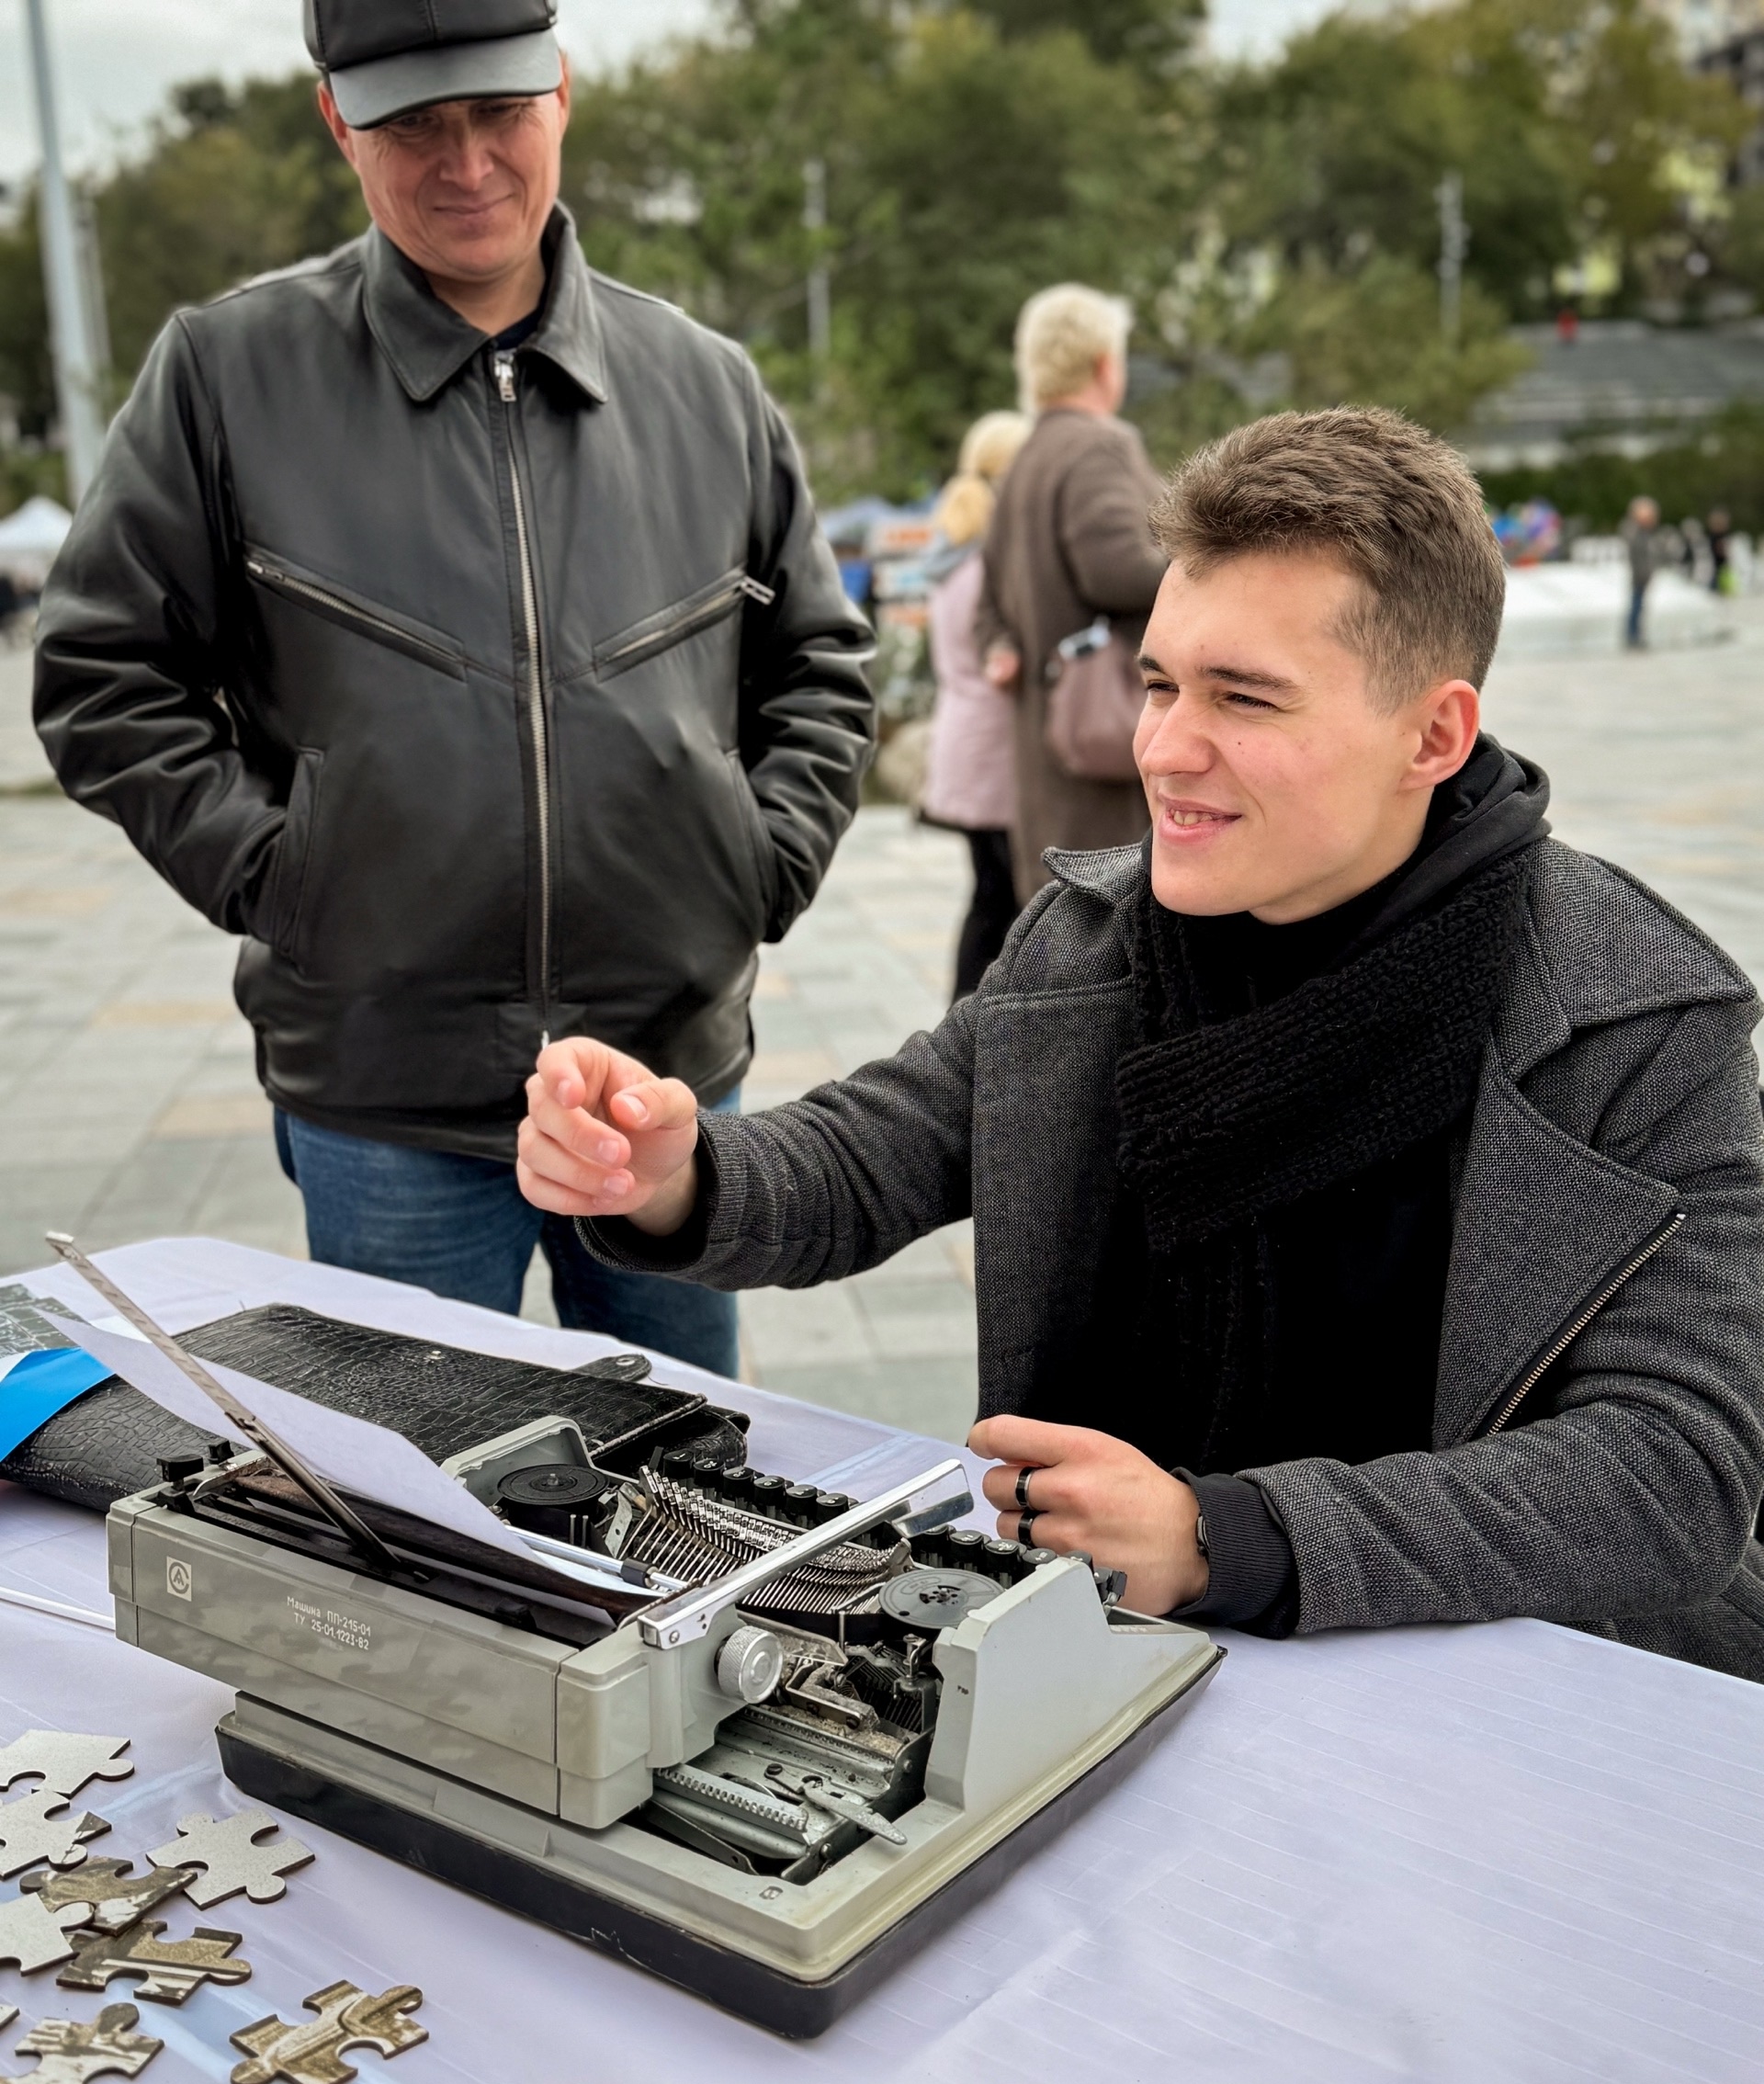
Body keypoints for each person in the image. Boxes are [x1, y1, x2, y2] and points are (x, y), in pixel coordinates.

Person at [515, 407, 1764, 1682]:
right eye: (1159, 682)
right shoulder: (1089, 943)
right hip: (1119, 1661)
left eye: (1245, 697)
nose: (1162, 748)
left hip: (1531, 1697)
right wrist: (675, 1172)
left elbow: (1678, 1466)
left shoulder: (1638, 1017)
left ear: (1433, 736)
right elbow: (872, 1154)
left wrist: (1228, 1536)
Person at [32, 0, 873, 1378]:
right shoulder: (227, 374)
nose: (467, 162)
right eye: (415, 124)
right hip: (387, 1096)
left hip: (660, 1085)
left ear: (561, 89)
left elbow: (822, 662)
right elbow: (100, 671)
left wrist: (756, 864)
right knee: (406, 1488)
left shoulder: (706, 384)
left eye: (499, 113)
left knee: (692, 1476)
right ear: (337, 122)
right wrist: (289, 878)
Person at [978, 284, 1168, 907]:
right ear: (1105, 365)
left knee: (1061, 920)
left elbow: (988, 602)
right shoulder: (1098, 445)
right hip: (1105, 741)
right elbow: (1117, 570)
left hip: (1048, 742)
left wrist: (1000, 645)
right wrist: (1210, 561)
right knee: (1118, 917)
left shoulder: (1024, 458)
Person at [921, 410, 1033, 999]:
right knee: (1001, 898)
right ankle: (972, 1015)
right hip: (992, 744)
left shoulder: (951, 552)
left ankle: (967, 1013)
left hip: (962, 735)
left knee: (989, 890)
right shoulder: (986, 559)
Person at [1623, 494, 1661, 649]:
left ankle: (1635, 634)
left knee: (1639, 607)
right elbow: (1638, 557)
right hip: (1639, 576)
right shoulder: (1635, 533)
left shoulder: (1644, 534)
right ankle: (1633, 635)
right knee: (1636, 606)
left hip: (1643, 576)